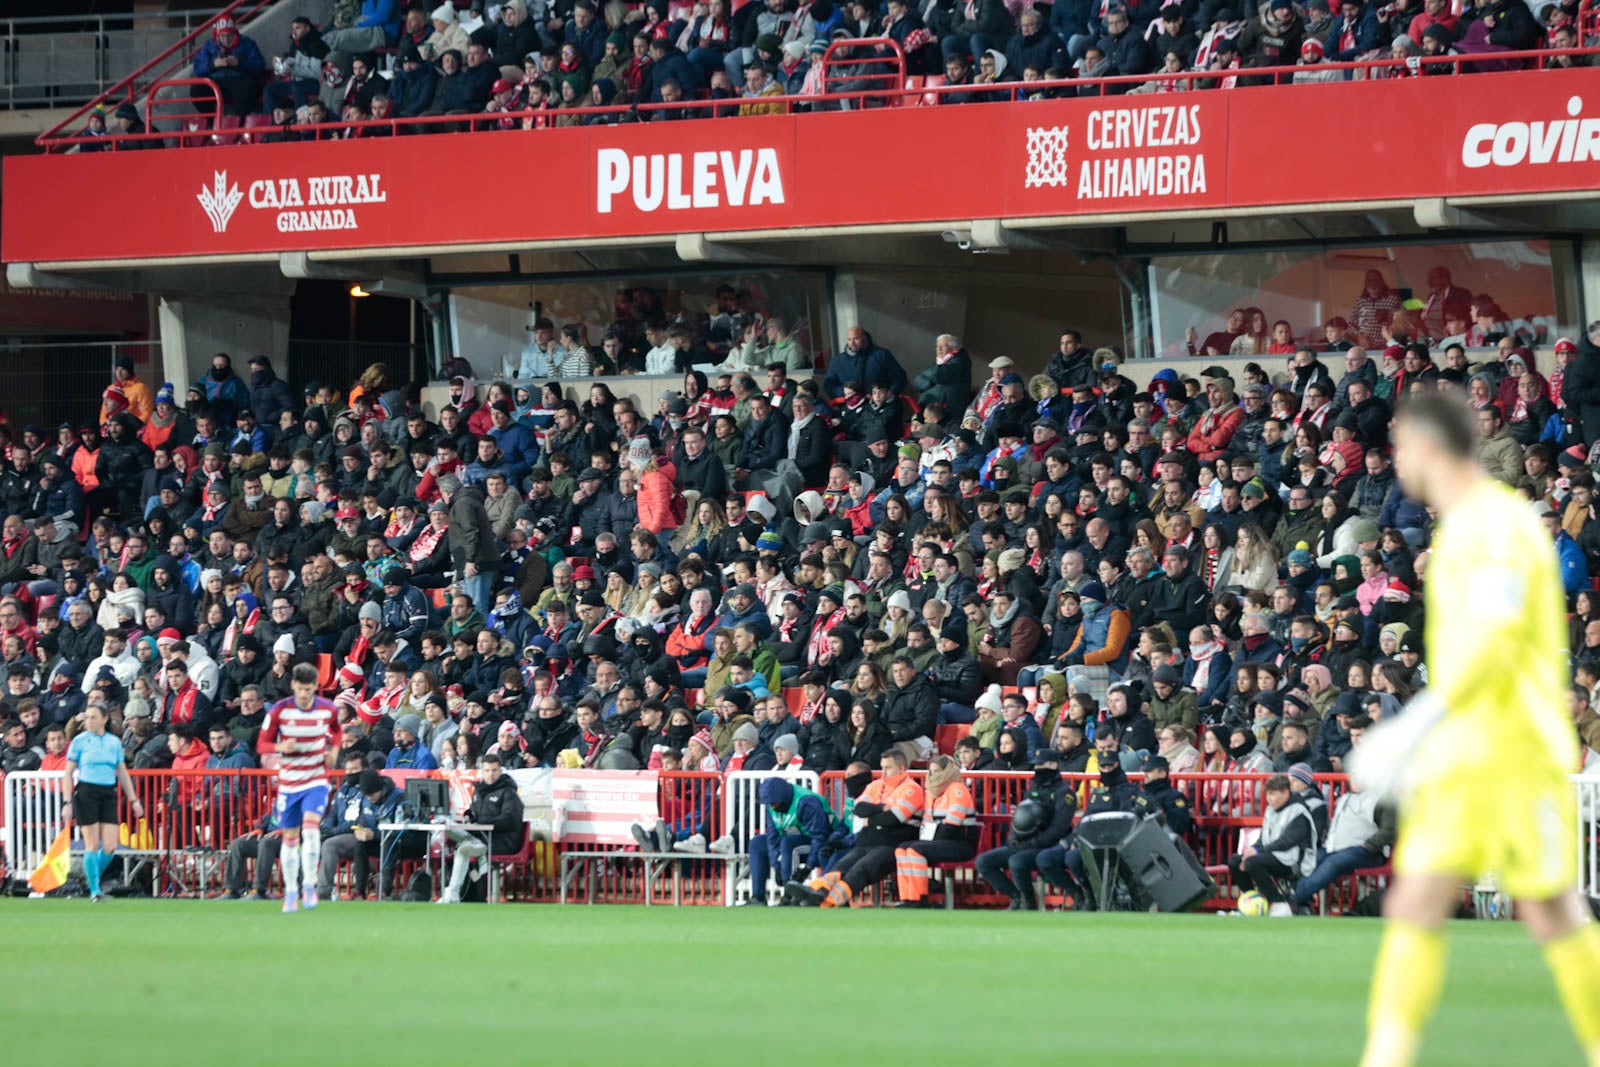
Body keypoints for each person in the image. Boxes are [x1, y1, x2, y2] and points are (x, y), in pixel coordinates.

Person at [1356, 393, 1600, 1067]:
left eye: (1402, 444)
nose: (1396, 458)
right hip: (1493, 743)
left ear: (1429, 447)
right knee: (1542, 911)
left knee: (1431, 902)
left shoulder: (1489, 526)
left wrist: (1419, 721)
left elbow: (1494, 638)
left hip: (1501, 746)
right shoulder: (1479, 522)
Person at [256, 662, 342, 912]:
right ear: (293, 685)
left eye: (309, 689)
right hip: (289, 782)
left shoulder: (327, 709)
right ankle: (291, 890)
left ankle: (309, 886)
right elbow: (262, 744)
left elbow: (337, 731)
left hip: (316, 779)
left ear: (316, 686)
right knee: (290, 838)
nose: (304, 694)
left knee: (312, 829)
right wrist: (281, 748)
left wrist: (334, 751)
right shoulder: (279, 711)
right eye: (300, 689)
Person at [64, 702, 145, 902]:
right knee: (91, 843)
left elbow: (123, 773)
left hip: (108, 792)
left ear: (104, 719)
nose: (89, 722)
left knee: (110, 846)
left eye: (93, 717)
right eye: (87, 717)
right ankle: (95, 890)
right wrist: (67, 803)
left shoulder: (113, 742)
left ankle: (90, 879)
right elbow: (68, 774)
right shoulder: (80, 741)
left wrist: (134, 800)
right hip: (86, 791)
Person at [437, 752, 525, 904]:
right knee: (448, 828)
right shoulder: (478, 791)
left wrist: (480, 822)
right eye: (487, 770)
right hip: (481, 838)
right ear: (482, 771)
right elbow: (474, 813)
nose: (491, 774)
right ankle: (453, 893)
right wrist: (468, 816)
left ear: (500, 770)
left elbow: (509, 820)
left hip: (501, 842)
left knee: (463, 847)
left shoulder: (509, 793)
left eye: (494, 770)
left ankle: (453, 893)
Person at [738, 775, 840, 905]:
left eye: (774, 803)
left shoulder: (807, 802)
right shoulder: (772, 803)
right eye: (769, 804)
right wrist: (776, 866)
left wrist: (807, 868)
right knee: (757, 843)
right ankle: (758, 897)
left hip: (824, 844)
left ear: (783, 798)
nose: (772, 807)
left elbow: (819, 837)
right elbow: (772, 837)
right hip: (794, 842)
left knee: (788, 843)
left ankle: (788, 895)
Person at [892, 755, 978, 908]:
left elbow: (953, 824)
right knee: (901, 849)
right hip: (938, 840)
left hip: (960, 843)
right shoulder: (931, 792)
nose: (933, 776)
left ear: (948, 771)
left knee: (915, 850)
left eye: (937, 771)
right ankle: (908, 898)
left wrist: (927, 843)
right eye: (931, 772)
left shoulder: (958, 789)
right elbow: (927, 822)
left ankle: (920, 898)